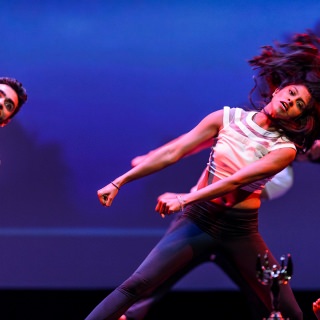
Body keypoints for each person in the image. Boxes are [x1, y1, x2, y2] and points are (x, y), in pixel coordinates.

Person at [85, 32, 320, 320]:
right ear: (277, 91)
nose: (291, 101)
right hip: (198, 221)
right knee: (135, 285)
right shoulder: (225, 118)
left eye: (299, 105)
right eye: (291, 94)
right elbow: (175, 151)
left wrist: (185, 198)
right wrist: (119, 181)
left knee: (290, 312)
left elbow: (236, 181)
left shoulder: (284, 149)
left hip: (240, 232)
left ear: (297, 117)